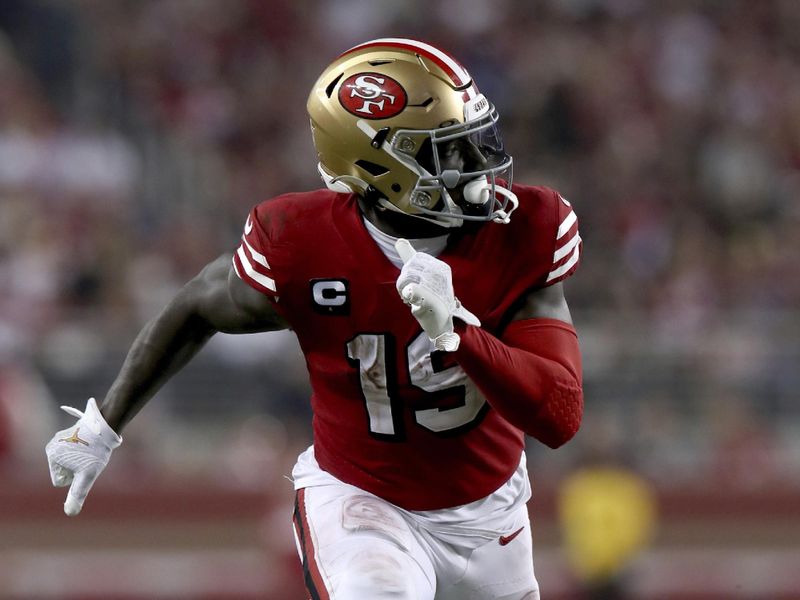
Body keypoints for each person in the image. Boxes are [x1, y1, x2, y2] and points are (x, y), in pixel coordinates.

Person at [46, 38, 584, 599]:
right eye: (443, 151)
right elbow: (194, 307)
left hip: (490, 513)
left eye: (472, 140)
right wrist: (102, 427)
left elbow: (560, 414)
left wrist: (458, 333)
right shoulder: (302, 243)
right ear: (378, 168)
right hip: (363, 502)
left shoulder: (526, 228)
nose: (475, 164)